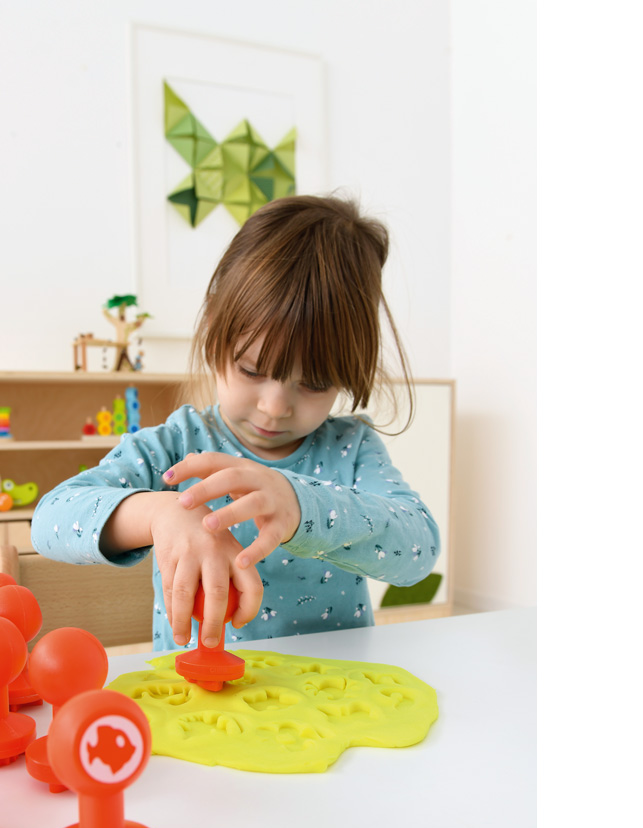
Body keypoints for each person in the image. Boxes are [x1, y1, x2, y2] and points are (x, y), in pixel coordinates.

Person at [32, 195, 441, 651]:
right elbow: (51, 518)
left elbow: (419, 549)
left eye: (315, 383)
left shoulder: (351, 448)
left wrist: (301, 507)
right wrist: (161, 513)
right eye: (251, 370)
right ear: (213, 329)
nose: (274, 406)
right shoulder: (176, 447)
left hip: (333, 690)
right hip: (197, 693)